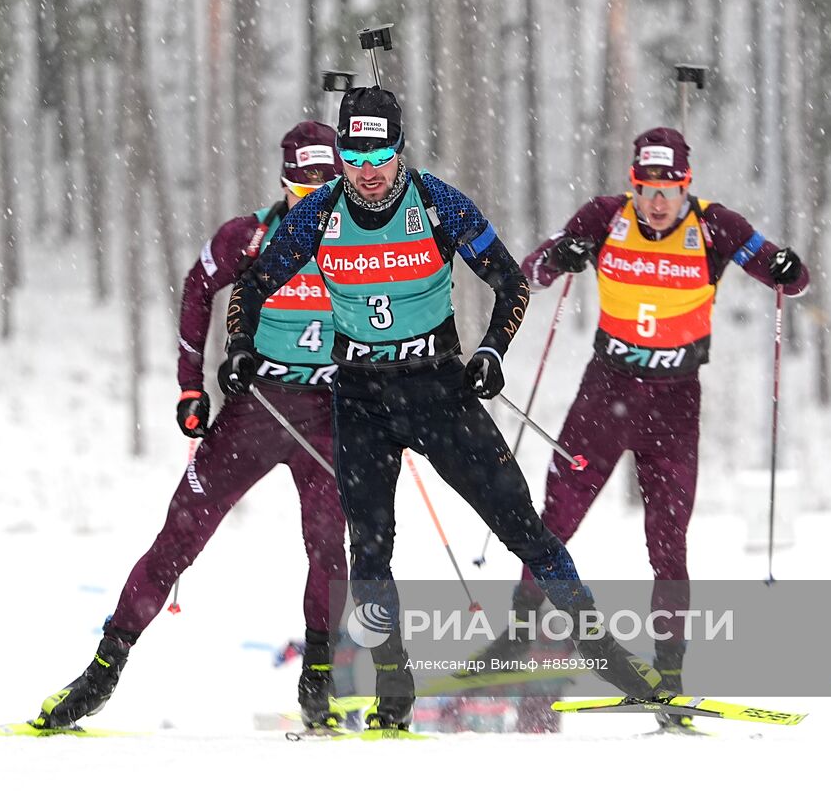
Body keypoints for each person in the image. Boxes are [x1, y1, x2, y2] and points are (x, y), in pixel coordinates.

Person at [222, 87, 664, 731]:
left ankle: (614, 662)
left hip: (439, 392)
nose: (366, 170)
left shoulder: (435, 202)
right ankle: (393, 690)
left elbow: (510, 282)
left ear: (400, 150)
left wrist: (490, 351)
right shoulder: (317, 213)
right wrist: (238, 347)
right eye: (353, 154)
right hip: (363, 398)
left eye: (379, 154)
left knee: (524, 530)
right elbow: (253, 284)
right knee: (369, 550)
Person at [35, 122, 349, 731]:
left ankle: (320, 678)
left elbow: (405, 305)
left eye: (327, 182)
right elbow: (198, 290)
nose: (315, 195)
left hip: (329, 415)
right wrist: (191, 384)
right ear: (284, 181)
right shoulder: (250, 236)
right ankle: (102, 669)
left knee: (328, 543)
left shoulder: (362, 240)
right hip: (257, 408)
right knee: (178, 540)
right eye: (304, 183)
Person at [505, 127, 810, 727]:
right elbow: (532, 271)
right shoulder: (603, 218)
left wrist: (784, 266)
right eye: (647, 189)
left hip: (674, 402)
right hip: (605, 392)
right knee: (555, 517)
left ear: (685, 186)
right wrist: (561, 255)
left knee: (669, 540)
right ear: (633, 184)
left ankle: (668, 675)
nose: (657, 203)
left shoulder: (715, 227)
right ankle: (517, 641)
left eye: (668, 190)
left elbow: (790, 279)